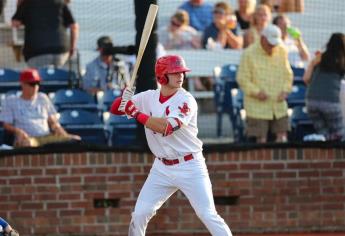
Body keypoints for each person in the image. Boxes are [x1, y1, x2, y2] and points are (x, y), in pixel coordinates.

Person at [110, 55, 233, 235]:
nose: (180, 76)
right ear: (162, 76)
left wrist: (136, 113)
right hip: (162, 167)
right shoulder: (148, 97)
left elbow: (166, 128)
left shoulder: (186, 100)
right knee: (140, 213)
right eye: (175, 72)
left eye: (181, 72)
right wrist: (124, 96)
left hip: (190, 165)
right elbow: (115, 110)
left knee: (207, 213)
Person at [236, 25, 293, 143]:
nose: (273, 47)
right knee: (261, 140)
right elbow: (242, 79)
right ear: (262, 38)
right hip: (257, 107)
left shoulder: (282, 51)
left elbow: (288, 75)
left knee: (283, 137)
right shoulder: (248, 53)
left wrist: (285, 91)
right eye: (270, 44)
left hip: (278, 105)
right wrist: (257, 92)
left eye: (275, 44)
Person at [0, 68, 81, 147]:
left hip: (46, 137)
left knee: (75, 140)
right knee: (27, 144)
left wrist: (64, 135)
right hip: (28, 138)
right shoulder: (11, 100)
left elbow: (53, 122)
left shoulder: (42, 97)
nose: (35, 86)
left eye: (37, 83)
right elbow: (6, 124)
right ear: (23, 84)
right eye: (32, 83)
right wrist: (18, 131)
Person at [11, 0, 79, 68]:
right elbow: (74, 27)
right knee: (60, 76)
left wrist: (19, 5)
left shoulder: (27, 3)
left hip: (36, 51)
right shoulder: (60, 2)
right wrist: (72, 47)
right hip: (61, 50)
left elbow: (15, 23)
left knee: (41, 76)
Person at [303, 33, 345, 141]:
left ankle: (319, 142)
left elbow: (306, 79)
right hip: (330, 102)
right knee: (340, 134)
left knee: (324, 135)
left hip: (311, 102)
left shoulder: (319, 58)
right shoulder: (342, 60)